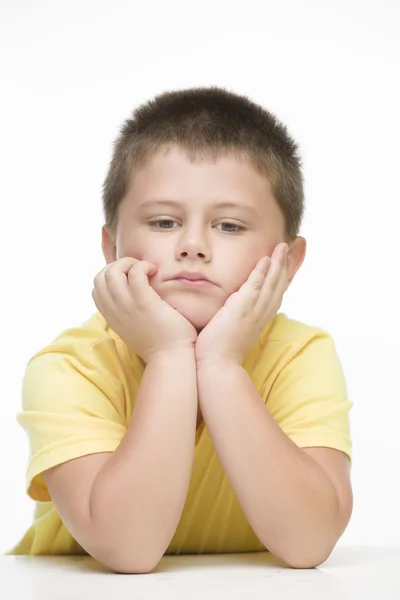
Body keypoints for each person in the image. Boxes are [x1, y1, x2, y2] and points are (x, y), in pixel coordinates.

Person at [6, 86, 353, 573]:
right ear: (113, 247)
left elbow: (309, 541)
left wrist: (221, 365)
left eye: (229, 226)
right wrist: (170, 356)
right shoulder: (69, 368)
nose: (193, 245)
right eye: (165, 222)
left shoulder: (301, 356)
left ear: (289, 261)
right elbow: (128, 549)